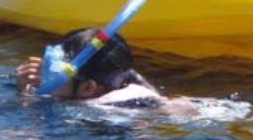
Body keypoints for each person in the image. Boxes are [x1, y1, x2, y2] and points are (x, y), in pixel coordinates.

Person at [15, 27, 165, 106]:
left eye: (56, 72)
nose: (44, 74)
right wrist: (24, 90)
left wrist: (23, 99)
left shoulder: (102, 114)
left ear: (88, 88)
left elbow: (33, 139)